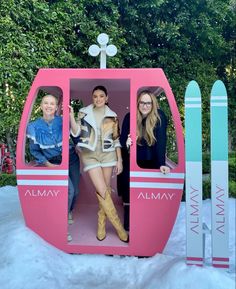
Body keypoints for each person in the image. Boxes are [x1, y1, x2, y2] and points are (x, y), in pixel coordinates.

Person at [70, 85, 128, 242]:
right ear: (92, 97)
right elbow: (75, 132)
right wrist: (70, 115)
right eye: (95, 96)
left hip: (108, 155)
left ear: (107, 98)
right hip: (90, 155)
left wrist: (119, 159)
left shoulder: (112, 115)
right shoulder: (84, 112)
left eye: (101, 96)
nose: (98, 99)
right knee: (102, 189)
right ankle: (119, 227)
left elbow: (116, 139)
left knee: (106, 190)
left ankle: (101, 224)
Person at [26, 94, 80, 242]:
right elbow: (35, 150)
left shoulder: (62, 121)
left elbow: (76, 135)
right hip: (54, 162)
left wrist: (71, 117)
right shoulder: (34, 126)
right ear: (41, 106)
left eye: (52, 104)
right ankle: (61, 227)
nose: (49, 106)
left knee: (76, 191)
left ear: (57, 107)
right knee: (69, 191)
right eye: (46, 103)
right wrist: (47, 164)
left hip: (71, 159)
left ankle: (69, 210)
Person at [117, 90, 170, 231]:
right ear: (138, 103)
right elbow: (122, 141)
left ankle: (146, 224)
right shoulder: (130, 117)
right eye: (142, 102)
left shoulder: (159, 117)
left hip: (151, 160)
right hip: (132, 159)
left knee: (146, 192)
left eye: (148, 103)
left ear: (153, 104)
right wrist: (127, 143)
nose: (145, 106)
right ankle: (128, 223)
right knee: (129, 189)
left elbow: (161, 143)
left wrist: (161, 164)